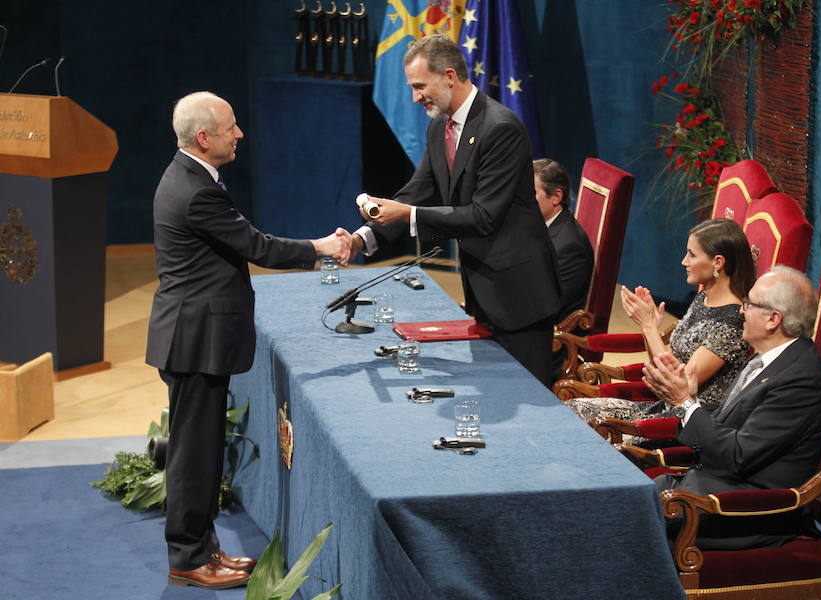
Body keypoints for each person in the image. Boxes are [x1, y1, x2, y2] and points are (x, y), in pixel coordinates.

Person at [145, 91, 351, 589]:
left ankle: (204, 547)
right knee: (195, 456)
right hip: (195, 339)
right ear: (204, 137)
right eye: (231, 127)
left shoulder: (193, 177)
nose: (239, 134)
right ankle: (190, 558)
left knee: (202, 449)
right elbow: (257, 246)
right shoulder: (197, 191)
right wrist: (321, 248)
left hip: (194, 335)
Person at [349, 34, 561, 386]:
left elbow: (483, 216)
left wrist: (407, 214)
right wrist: (364, 237)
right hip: (482, 289)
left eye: (419, 86)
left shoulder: (500, 128)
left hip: (520, 293)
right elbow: (418, 190)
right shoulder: (439, 126)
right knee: (490, 391)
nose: (415, 97)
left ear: (449, 75)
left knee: (528, 402)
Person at [644, 266, 821, 550]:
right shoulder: (763, 359)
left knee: (627, 525)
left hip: (746, 509)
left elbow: (737, 455)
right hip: (708, 485)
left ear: (773, 319)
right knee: (621, 500)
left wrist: (684, 403)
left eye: (749, 304)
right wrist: (692, 399)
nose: (741, 311)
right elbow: (728, 429)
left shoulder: (802, 381)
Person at [566, 218, 755, 423]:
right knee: (573, 409)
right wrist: (649, 327)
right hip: (662, 406)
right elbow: (662, 366)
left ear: (717, 262)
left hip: (683, 424)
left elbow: (678, 383)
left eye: (692, 254)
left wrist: (649, 328)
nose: (684, 261)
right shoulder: (704, 298)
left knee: (582, 417)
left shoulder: (732, 322)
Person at [533, 158, 594, 320]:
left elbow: (543, 307)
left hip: (546, 338)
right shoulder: (533, 224)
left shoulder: (569, 248)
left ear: (556, 197)